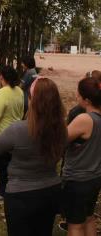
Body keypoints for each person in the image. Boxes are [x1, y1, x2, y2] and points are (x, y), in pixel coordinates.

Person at [0, 78, 66, 236]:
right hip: (51, 190)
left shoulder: (18, 129)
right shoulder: (62, 128)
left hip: (21, 195)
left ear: (32, 101)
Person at [62, 76, 101, 236]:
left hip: (78, 180)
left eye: (78, 95)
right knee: (89, 217)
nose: (76, 97)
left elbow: (61, 140)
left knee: (75, 224)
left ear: (86, 100)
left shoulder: (84, 119)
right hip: (95, 176)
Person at [0, 66, 24, 200]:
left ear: (2, 77)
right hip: (16, 132)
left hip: (2, 135)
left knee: (1, 164)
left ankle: (3, 191)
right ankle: (14, 186)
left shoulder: (1, 93)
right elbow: (21, 111)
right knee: (13, 163)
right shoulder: (19, 91)